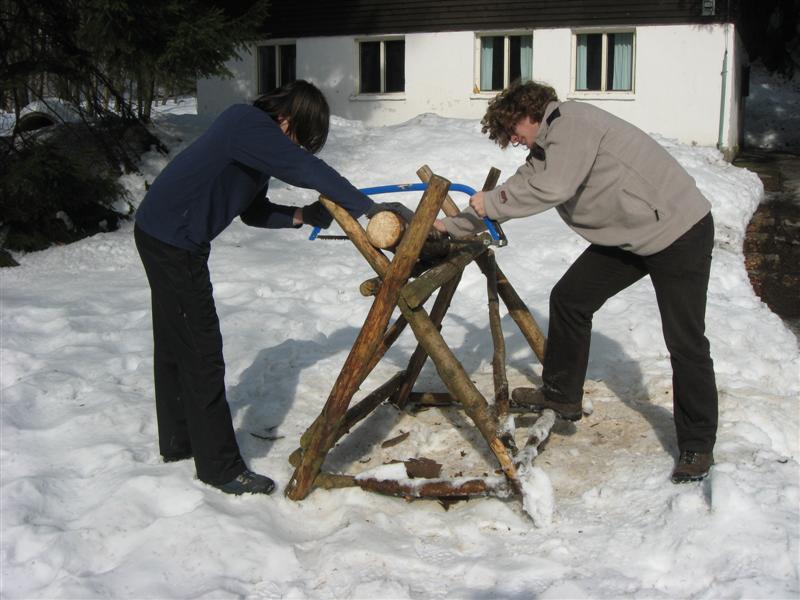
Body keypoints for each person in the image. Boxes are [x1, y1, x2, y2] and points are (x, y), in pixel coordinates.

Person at [135, 80, 411, 495]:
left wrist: (302, 216)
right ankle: (221, 469)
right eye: (302, 137)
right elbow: (307, 170)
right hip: (175, 243)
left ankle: (179, 442)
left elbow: (254, 212)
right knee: (201, 351)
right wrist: (369, 209)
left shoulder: (251, 144)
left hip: (162, 233)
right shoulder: (246, 123)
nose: (299, 148)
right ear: (289, 117)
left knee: (177, 343)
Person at [434, 80, 718, 484]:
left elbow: (553, 188)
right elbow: (518, 190)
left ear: (531, 111)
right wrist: (451, 226)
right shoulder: (546, 146)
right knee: (570, 298)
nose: (513, 139)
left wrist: (492, 202)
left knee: (684, 339)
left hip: (677, 231)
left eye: (513, 129)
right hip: (632, 234)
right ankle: (562, 394)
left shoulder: (573, 123)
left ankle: (698, 444)